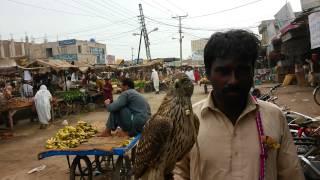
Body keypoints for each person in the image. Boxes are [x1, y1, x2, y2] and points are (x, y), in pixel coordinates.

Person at [173, 30, 304, 180]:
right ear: (208, 74)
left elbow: (290, 173)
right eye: (224, 71)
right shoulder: (188, 120)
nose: (233, 80)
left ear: (252, 72)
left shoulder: (274, 116)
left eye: (242, 70)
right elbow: (179, 172)